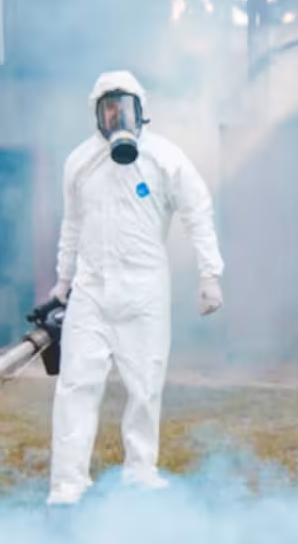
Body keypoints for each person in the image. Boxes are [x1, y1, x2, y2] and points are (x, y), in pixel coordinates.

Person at [45, 70, 225, 506]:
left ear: (142, 111)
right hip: (91, 290)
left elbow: (197, 210)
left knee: (145, 386)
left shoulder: (164, 158)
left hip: (145, 290)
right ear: (97, 115)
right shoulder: (80, 162)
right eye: (108, 109)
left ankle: (140, 473)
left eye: (125, 107)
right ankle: (67, 485)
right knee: (76, 386)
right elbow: (72, 224)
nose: (117, 117)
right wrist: (64, 280)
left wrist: (210, 274)